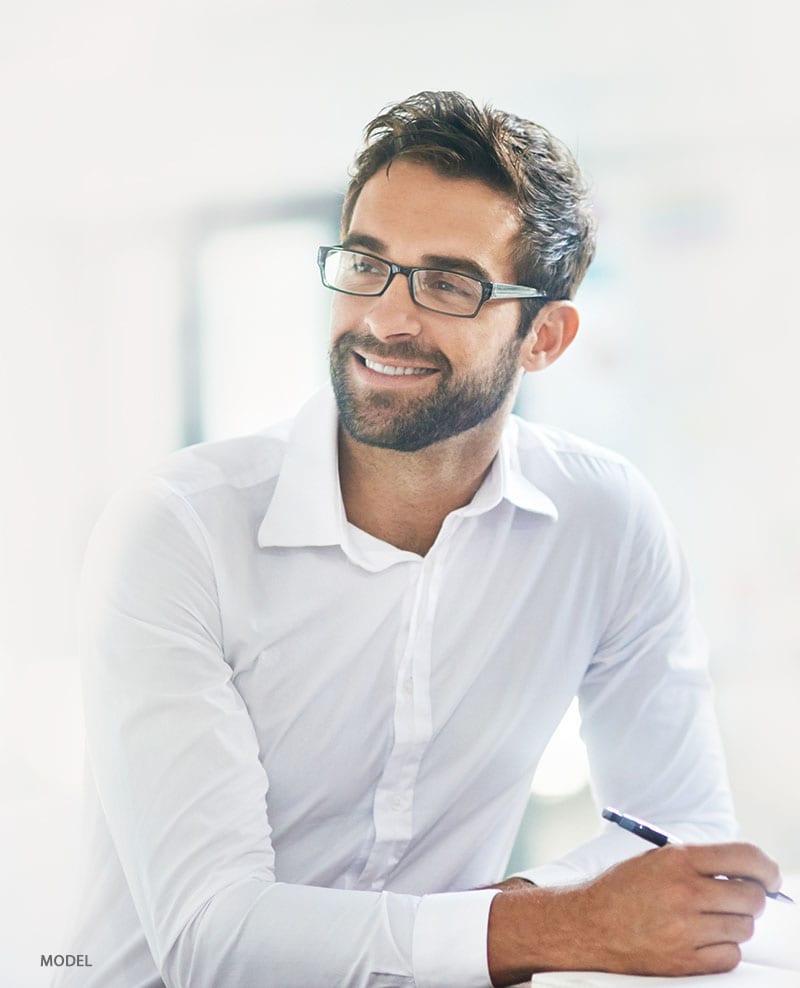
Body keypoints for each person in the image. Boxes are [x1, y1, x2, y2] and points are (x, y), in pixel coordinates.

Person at [57, 91, 781, 988]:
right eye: (366, 265)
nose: (387, 318)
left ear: (544, 337)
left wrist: (548, 918)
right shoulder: (177, 531)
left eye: (449, 284)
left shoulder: (606, 522)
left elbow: (683, 844)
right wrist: (551, 925)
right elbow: (215, 938)